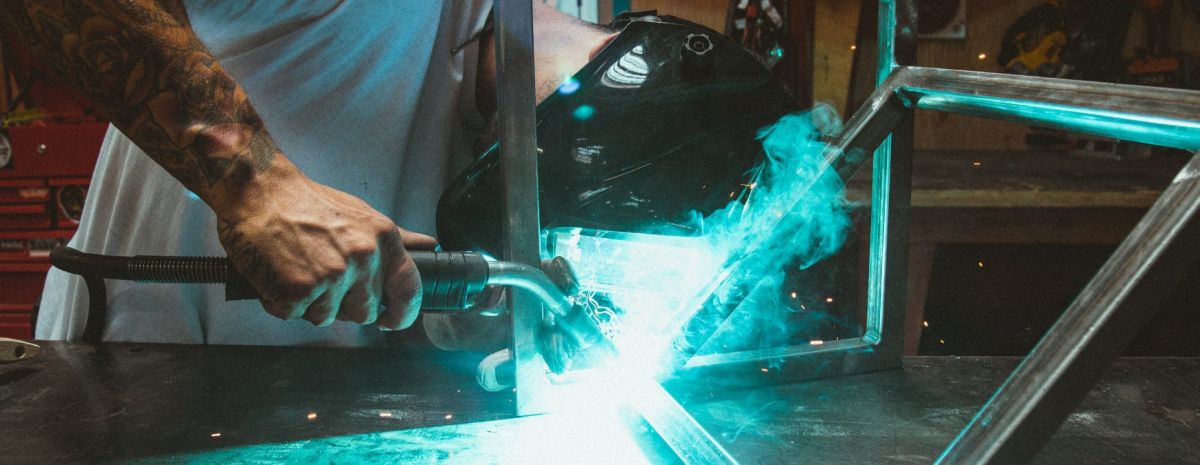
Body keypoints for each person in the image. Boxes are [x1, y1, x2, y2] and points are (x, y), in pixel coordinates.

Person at [0, 1, 614, 347]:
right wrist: (256, 185)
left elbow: (482, 25)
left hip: (358, 385)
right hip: (162, 360)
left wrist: (596, 82)